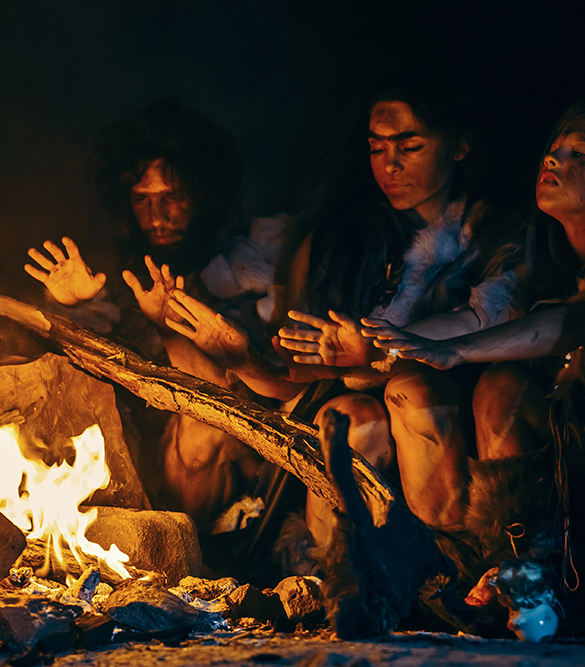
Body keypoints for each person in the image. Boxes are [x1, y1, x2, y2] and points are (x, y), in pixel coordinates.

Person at [166, 78, 527, 562]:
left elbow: (491, 321)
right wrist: (243, 360)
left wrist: (378, 350)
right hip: (362, 421)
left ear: (459, 145)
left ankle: (451, 567)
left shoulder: (494, 232)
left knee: (415, 392)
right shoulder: (341, 242)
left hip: (455, 419)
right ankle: (331, 572)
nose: (391, 165)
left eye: (410, 146)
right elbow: (296, 380)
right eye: (377, 149)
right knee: (351, 417)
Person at [23, 100, 293, 576]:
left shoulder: (251, 272)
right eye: (142, 199)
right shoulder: (122, 273)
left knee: (204, 422)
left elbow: (244, 395)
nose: (158, 215)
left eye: (174, 197)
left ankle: (186, 562)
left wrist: (176, 327)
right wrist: (76, 306)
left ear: (205, 195)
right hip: (133, 479)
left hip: (232, 486)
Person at [362, 101, 585, 619]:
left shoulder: (494, 234)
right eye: (553, 152)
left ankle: (535, 574)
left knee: (501, 386)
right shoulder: (546, 252)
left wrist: (450, 347)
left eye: (580, 155)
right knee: (493, 388)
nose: (553, 162)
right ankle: (504, 567)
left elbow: (569, 324)